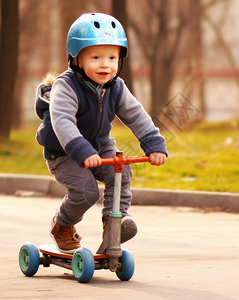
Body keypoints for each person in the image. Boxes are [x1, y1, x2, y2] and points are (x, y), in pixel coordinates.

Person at [34, 13, 168, 253]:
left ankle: (114, 224)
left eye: (112, 57)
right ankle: (62, 224)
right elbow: (63, 122)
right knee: (86, 192)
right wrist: (81, 150)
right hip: (64, 152)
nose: (105, 64)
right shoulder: (66, 86)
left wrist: (153, 144)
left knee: (122, 171)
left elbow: (136, 115)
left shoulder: (116, 86)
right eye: (96, 57)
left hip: (99, 145)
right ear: (76, 58)